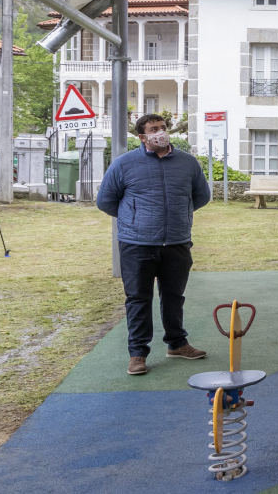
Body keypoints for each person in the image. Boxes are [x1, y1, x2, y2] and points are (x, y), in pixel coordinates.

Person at [96, 113, 211, 376]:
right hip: (137, 244)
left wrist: (180, 215)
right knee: (138, 298)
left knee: (174, 296)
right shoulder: (124, 164)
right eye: (153, 129)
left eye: (162, 127)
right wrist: (134, 219)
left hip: (177, 242)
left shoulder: (187, 163)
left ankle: (177, 344)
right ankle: (137, 354)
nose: (160, 132)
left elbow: (201, 196)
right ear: (142, 137)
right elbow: (106, 201)